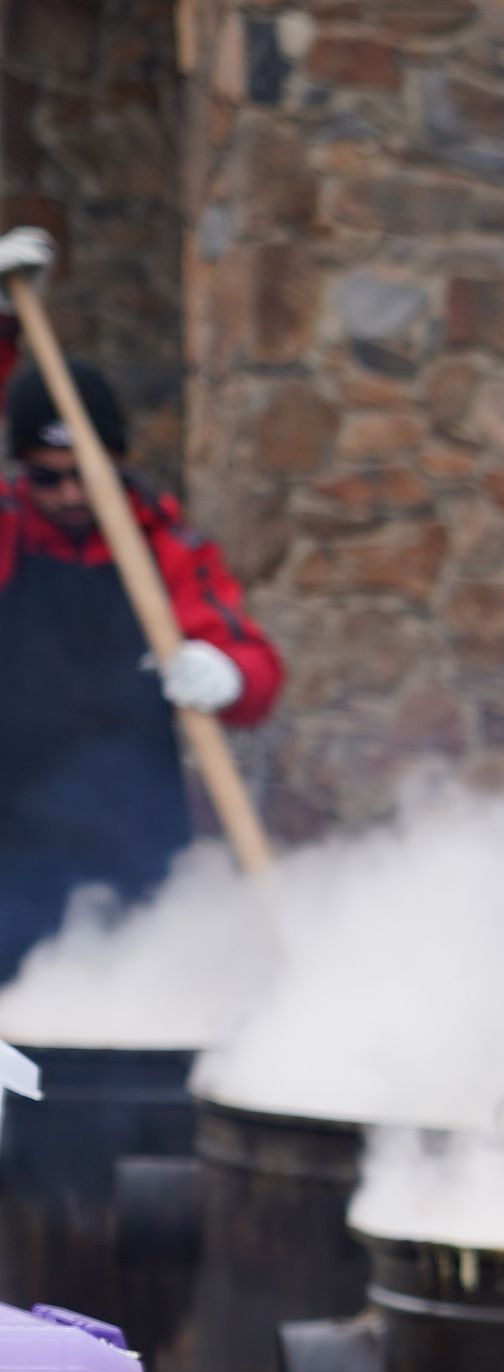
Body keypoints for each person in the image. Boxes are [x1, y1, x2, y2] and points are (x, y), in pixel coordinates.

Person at [0, 230, 283, 976]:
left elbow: (255, 667)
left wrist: (226, 673)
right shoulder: (6, 528)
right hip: (10, 847)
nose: (64, 494)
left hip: (134, 847)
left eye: (78, 473)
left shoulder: (165, 546)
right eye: (44, 475)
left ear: (115, 459)